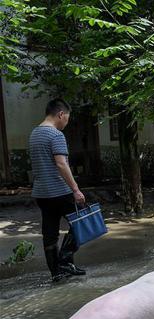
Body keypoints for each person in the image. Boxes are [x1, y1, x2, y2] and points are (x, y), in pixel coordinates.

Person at [29, 98, 86, 282]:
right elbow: (61, 164)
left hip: (41, 193)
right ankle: (65, 261)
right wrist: (75, 189)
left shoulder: (34, 133)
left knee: (50, 232)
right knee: (83, 221)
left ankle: (56, 273)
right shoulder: (55, 135)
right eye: (67, 119)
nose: (66, 123)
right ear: (61, 114)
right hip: (59, 191)